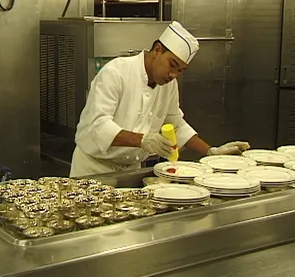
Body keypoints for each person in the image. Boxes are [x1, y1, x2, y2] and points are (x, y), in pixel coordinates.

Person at [70, 21, 250, 177]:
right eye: (172, 65)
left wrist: (211, 152)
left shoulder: (168, 85)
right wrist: (144, 140)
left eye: (180, 70)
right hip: (93, 170)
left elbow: (176, 124)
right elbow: (99, 126)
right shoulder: (116, 73)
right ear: (157, 50)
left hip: (131, 171)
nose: (174, 74)